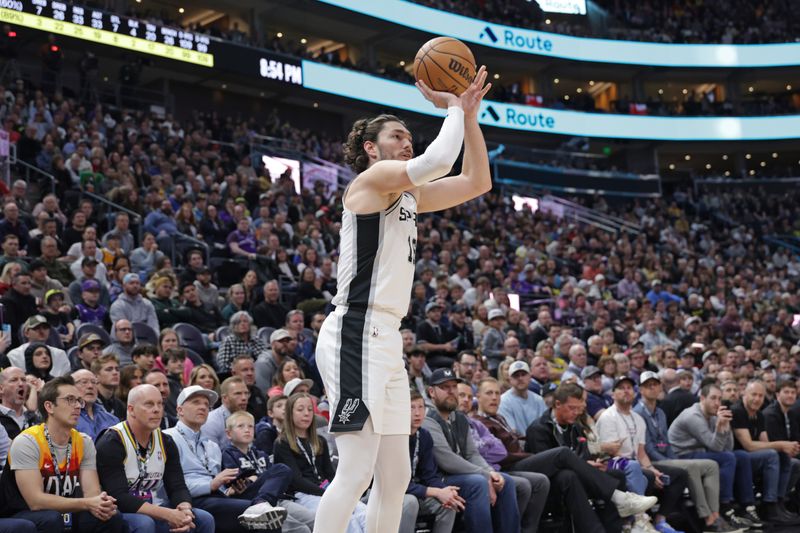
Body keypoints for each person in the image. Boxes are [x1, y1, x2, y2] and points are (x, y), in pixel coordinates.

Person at [311, 65, 493, 533]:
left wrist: (468, 118)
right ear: (372, 148)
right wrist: (452, 107)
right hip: (355, 329)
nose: (406, 141)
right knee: (356, 469)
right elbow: (435, 163)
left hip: (387, 337)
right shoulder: (372, 182)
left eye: (409, 135)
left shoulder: (408, 196)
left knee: (396, 477)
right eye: (397, 135)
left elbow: (477, 182)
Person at [525, 383, 658, 533]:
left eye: (578, 408)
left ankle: (617, 528)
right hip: (550, 482)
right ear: (557, 404)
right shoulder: (539, 428)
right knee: (568, 475)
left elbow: (582, 453)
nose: (576, 413)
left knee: (617, 474)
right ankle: (603, 521)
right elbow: (546, 465)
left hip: (576, 474)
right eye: (572, 408)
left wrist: (591, 464)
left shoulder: (574, 426)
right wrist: (584, 467)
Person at [0, 376, 125, 533]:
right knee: (51, 519)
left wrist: (100, 503)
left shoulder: (84, 442)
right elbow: (35, 501)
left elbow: (91, 493)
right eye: (70, 400)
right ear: (49, 406)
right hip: (22, 512)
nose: (78, 406)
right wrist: (88, 503)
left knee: (110, 516)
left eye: (79, 401)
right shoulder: (27, 442)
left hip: (66, 509)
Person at [164, 386, 297, 532]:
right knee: (266, 515)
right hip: (192, 500)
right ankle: (259, 507)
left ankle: (261, 502)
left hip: (219, 497)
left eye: (206, 405)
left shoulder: (212, 445)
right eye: (196, 402)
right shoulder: (168, 438)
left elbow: (219, 485)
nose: (203, 407)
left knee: (280, 470)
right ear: (179, 410)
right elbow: (173, 485)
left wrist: (232, 489)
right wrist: (212, 484)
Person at [95, 384, 215, 533]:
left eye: (160, 404)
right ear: (131, 410)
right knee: (144, 523)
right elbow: (119, 497)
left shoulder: (166, 441)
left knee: (203, 518)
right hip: (119, 512)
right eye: (149, 404)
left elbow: (177, 486)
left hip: (155, 507)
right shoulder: (111, 442)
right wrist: (168, 514)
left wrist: (185, 510)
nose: (157, 409)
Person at [633, 371, 738, 532]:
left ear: (661, 387)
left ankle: (716, 514)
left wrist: (673, 459)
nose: (653, 388)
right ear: (641, 390)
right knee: (692, 467)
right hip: (649, 460)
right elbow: (647, 448)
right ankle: (708, 518)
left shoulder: (660, 412)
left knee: (711, 465)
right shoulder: (638, 413)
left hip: (668, 456)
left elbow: (666, 443)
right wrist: (671, 462)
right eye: (648, 386)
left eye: (655, 385)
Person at [422, 368, 520, 532]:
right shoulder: (428, 419)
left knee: (505, 482)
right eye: (445, 387)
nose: (451, 391)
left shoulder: (459, 417)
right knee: (478, 483)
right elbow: (447, 460)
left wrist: (490, 472)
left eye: (454, 386)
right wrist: (485, 474)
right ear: (432, 391)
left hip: (461, 475)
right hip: (438, 479)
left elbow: (472, 454)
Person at [596, 376, 688, 533]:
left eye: (629, 388)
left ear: (634, 392)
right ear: (613, 394)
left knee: (677, 474)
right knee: (644, 474)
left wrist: (651, 467)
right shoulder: (608, 417)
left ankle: (660, 521)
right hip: (610, 462)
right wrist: (646, 469)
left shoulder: (638, 418)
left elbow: (641, 452)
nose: (626, 391)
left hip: (633, 462)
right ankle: (638, 519)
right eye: (621, 388)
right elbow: (612, 452)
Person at [668, 384, 764, 529]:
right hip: (681, 456)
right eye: (713, 398)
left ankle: (747, 507)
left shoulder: (713, 414)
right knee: (727, 458)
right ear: (702, 398)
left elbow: (728, 447)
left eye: (719, 399)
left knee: (742, 456)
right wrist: (720, 428)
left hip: (701, 452)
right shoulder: (693, 416)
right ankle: (726, 506)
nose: (717, 403)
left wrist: (726, 427)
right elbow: (717, 447)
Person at [274, 393, 367, 532]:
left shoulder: (320, 440)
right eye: (300, 409)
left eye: (310, 409)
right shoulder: (282, 443)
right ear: (289, 413)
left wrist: (341, 490)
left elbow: (330, 473)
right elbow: (296, 481)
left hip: (327, 490)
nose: (306, 414)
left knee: (364, 512)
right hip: (302, 495)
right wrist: (327, 493)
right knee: (345, 518)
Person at [220, 409, 316, 532]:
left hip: (275, 499)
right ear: (228, 434)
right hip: (249, 498)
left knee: (315, 520)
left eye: (250, 426)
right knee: (301, 530)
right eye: (240, 426)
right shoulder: (227, 453)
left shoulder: (262, 454)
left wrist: (255, 477)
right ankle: (260, 504)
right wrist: (253, 479)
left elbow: (274, 479)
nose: (247, 429)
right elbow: (236, 482)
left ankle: (263, 502)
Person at [730, 380, 799, 523]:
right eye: (753, 394)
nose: (757, 399)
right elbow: (748, 445)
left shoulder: (759, 414)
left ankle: (779, 503)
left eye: (760, 396)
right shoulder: (738, 411)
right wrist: (781, 444)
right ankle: (770, 505)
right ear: (744, 394)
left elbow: (765, 443)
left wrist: (784, 448)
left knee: (786, 458)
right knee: (773, 454)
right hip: (739, 457)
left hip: (754, 457)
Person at [400, 390, 459, 533]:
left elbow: (430, 475)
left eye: (421, 407)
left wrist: (444, 491)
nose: (417, 413)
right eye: (411, 407)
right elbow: (395, 484)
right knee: (410, 502)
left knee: (448, 504)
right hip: (386, 494)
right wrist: (435, 492)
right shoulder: (392, 437)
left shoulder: (424, 435)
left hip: (414, 490)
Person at [497, 361, 546, 436]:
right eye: (516, 376)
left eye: (523, 374)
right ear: (510, 379)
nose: (520, 378)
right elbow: (512, 433)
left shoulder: (538, 400)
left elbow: (545, 426)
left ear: (530, 377)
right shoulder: (503, 401)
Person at [202, 377, 250, 448]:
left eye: (246, 393)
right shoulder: (210, 421)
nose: (244, 398)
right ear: (225, 398)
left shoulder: (248, 418)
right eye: (238, 394)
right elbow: (211, 456)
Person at [73, 369, 118, 441]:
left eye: (94, 382)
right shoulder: (67, 418)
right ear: (71, 387)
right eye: (84, 382)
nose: (90, 386)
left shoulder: (112, 419)